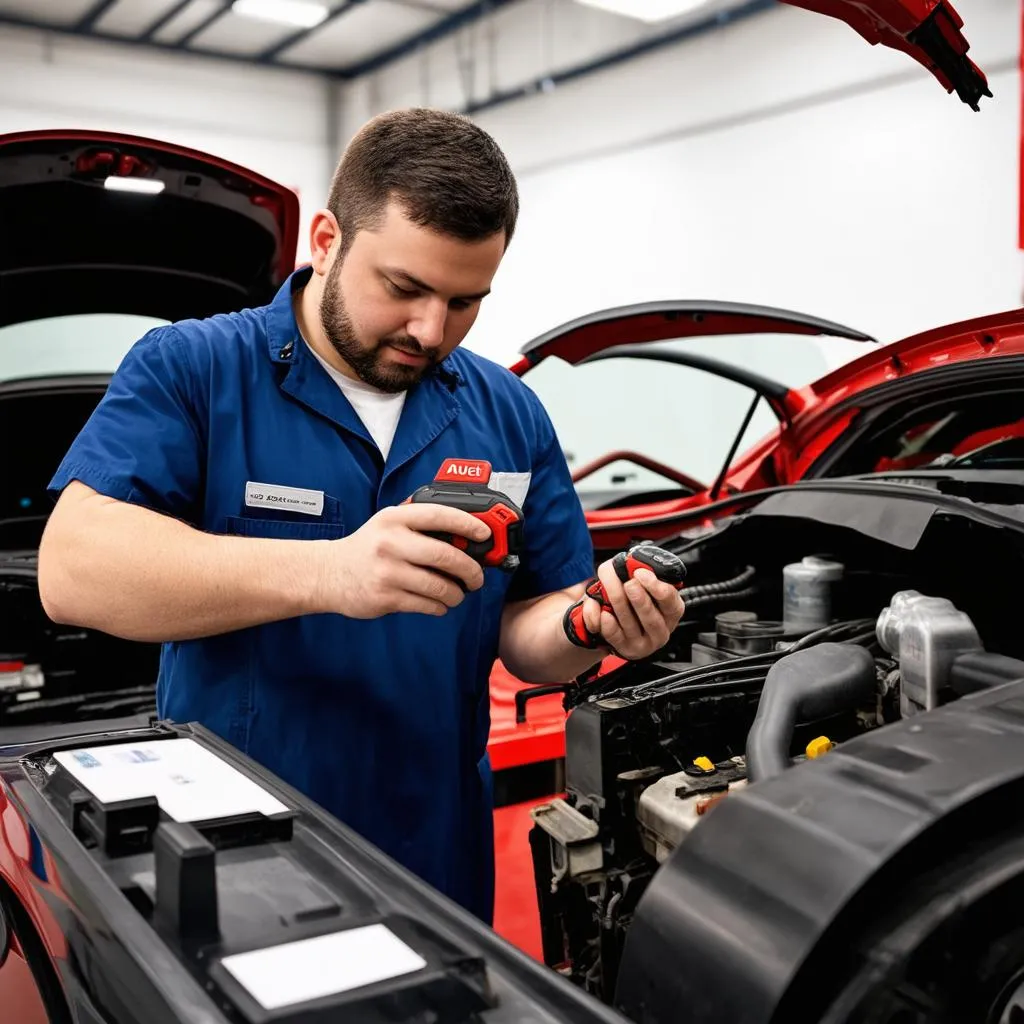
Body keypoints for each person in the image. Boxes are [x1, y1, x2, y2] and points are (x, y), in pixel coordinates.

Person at [37, 108, 685, 923]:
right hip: (234, 846)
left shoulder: (509, 411)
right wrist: (329, 570)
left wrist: (594, 625)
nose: (430, 329)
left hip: (434, 844)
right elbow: (73, 572)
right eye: (404, 288)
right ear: (326, 239)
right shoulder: (196, 369)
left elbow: (529, 633)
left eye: (465, 302)